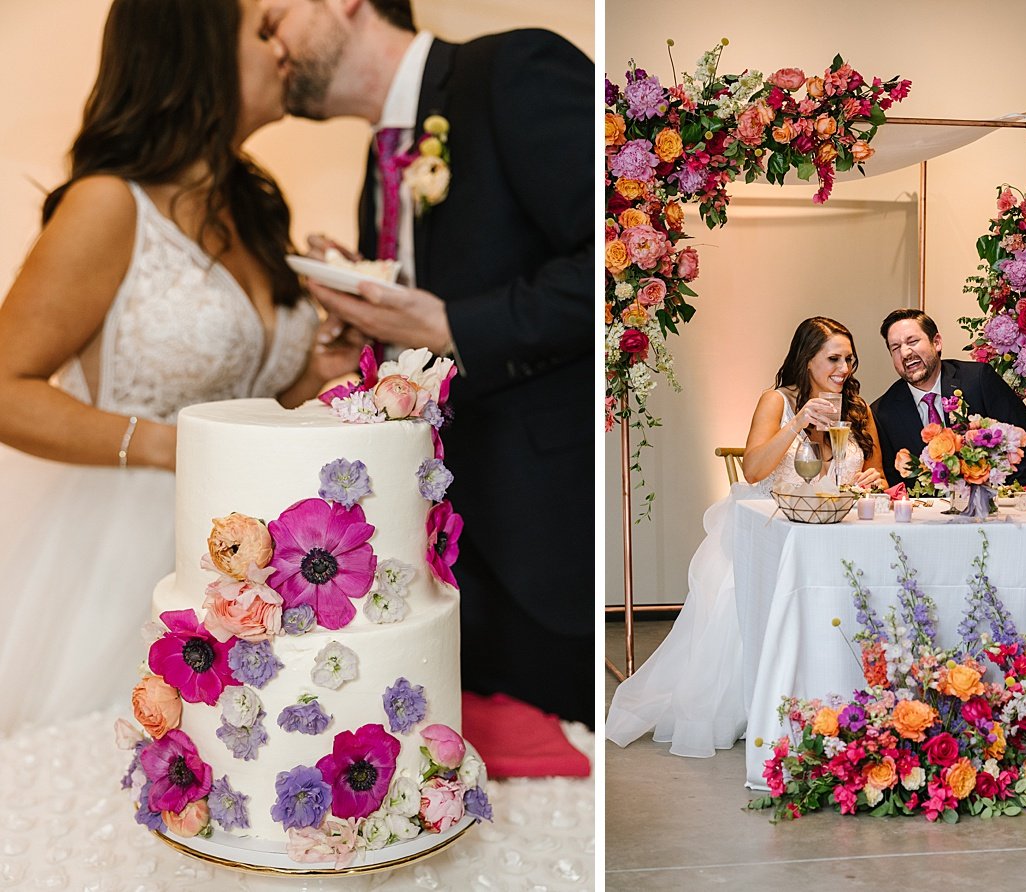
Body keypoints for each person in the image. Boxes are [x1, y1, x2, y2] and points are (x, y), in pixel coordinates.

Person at [0, 0, 357, 734]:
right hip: (120, 551)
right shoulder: (108, 205)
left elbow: (255, 394)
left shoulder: (253, 209)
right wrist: (174, 444)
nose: (282, 46)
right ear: (197, 54)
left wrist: (332, 358)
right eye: (261, 33)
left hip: (246, 559)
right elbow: (6, 388)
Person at [258, 0, 593, 724]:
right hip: (443, 539)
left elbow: (622, 260)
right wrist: (370, 317)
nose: (269, 43)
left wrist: (447, 323)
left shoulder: (513, 70)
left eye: (273, 17)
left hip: (546, 535)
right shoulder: (377, 165)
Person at [606, 317, 885, 757]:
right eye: (833, 358)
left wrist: (872, 481)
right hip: (772, 531)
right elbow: (754, 469)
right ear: (806, 359)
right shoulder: (777, 401)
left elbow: (878, 476)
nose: (843, 368)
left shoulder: (858, 409)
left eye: (849, 358)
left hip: (836, 535)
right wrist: (799, 424)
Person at [871, 308, 1026, 487]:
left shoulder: (978, 380)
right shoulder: (883, 412)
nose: (905, 353)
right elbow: (892, 481)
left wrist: (1003, 501)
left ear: (936, 342)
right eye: (896, 348)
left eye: (912, 341)